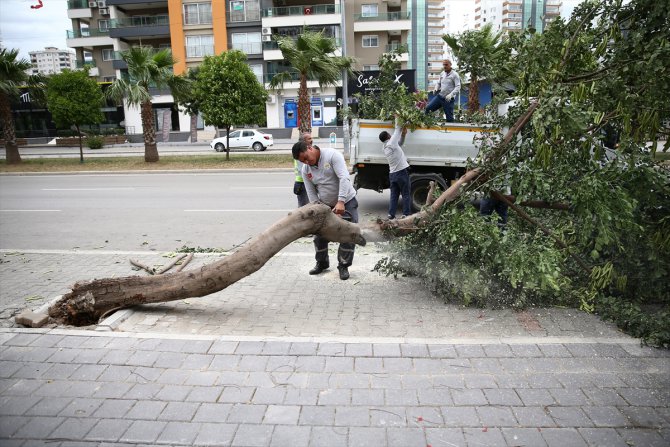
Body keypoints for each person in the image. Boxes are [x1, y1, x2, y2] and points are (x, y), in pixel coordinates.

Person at [292, 140, 359, 280]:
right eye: (302, 161)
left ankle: (343, 265)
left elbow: (344, 178)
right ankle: (322, 263)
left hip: (346, 201)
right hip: (325, 205)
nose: (306, 162)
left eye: (306, 158)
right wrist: (320, 210)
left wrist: (341, 202)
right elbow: (312, 194)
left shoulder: (332, 155)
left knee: (349, 234)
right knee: (319, 235)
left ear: (310, 148)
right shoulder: (306, 170)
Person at [379, 116, 411, 219]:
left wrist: (403, 135)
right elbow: (397, 128)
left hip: (392, 174)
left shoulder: (385, 147)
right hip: (401, 172)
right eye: (389, 134)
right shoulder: (391, 142)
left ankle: (391, 214)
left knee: (394, 195)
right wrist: (397, 117)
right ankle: (406, 214)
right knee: (406, 194)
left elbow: (399, 144)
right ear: (388, 136)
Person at [293, 132, 312, 207]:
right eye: (309, 139)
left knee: (309, 205)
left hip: (305, 181)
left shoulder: (307, 151)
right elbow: (303, 169)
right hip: (302, 182)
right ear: (304, 141)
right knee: (304, 206)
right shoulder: (300, 153)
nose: (311, 140)